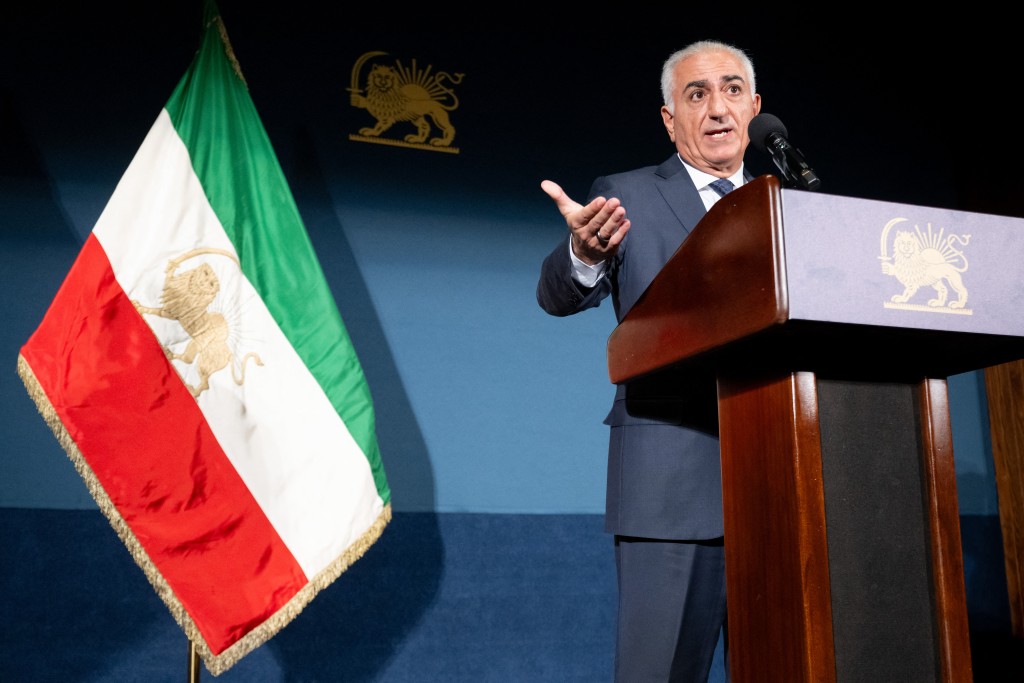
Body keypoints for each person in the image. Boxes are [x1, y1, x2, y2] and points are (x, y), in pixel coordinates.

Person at [536, 39, 761, 682]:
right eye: (697, 94)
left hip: (782, 480)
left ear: (755, 106)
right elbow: (558, 295)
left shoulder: (788, 202)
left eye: (731, 90)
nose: (717, 109)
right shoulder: (626, 195)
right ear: (670, 118)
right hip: (671, 480)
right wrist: (582, 253)